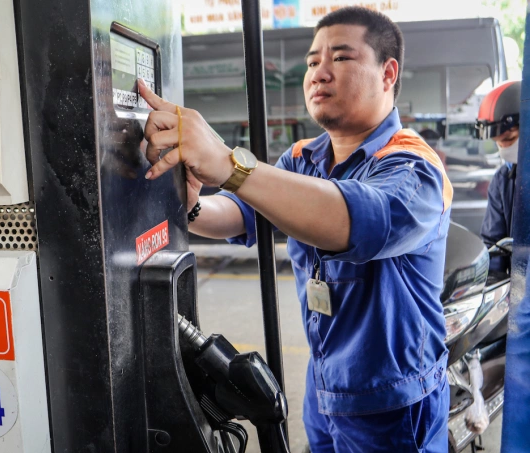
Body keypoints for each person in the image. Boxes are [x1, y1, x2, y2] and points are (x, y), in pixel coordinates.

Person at [139, 6, 451, 452]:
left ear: (388, 73)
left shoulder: (415, 167)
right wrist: (191, 207)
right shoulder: (305, 159)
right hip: (323, 392)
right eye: (311, 62)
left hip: (395, 406)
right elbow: (241, 212)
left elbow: (354, 220)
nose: (318, 73)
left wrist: (229, 163)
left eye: (340, 58)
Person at [476, 80, 521, 272]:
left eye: (509, 139)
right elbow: (494, 244)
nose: (504, 149)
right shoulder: (503, 180)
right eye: (498, 143)